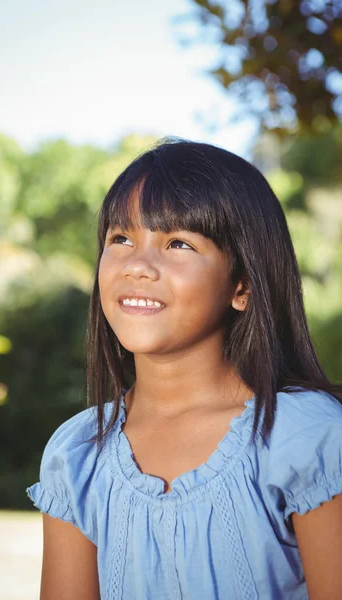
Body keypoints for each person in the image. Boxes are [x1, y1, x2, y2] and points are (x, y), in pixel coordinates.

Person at [26, 139, 342, 600]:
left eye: (177, 242)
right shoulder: (77, 456)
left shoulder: (308, 438)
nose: (137, 265)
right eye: (121, 238)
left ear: (244, 285)